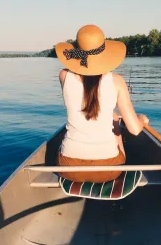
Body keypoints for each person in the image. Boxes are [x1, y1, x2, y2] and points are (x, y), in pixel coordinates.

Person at [54, 24, 149, 183]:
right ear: (105, 53)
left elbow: (87, 98)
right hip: (109, 170)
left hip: (68, 168)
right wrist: (142, 119)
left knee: (110, 116)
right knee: (116, 123)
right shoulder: (117, 81)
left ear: (78, 50)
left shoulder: (64, 75)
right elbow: (134, 129)